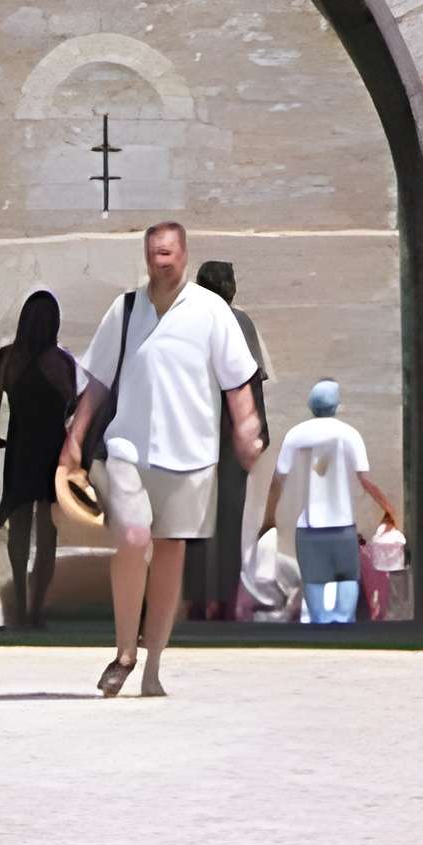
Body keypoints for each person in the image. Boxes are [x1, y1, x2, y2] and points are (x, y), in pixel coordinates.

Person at [60, 222, 266, 698]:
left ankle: (152, 665)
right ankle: (124, 651)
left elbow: (236, 380)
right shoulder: (126, 308)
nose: (162, 261)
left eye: (170, 253)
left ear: (185, 254)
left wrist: (247, 425)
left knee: (170, 554)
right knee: (133, 537)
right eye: (155, 253)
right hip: (128, 447)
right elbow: (99, 381)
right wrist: (74, 439)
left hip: (191, 454)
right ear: (146, 256)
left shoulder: (213, 311)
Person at [0, 289, 80, 628]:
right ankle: (34, 608)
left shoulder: (8, 358)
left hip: (21, 451)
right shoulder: (61, 361)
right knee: (45, 532)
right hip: (50, 452)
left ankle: (24, 607)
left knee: (18, 532)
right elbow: (73, 406)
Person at [259, 379, 401, 626]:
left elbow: (279, 479)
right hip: (342, 523)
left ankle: (321, 622)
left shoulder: (296, 434)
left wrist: (269, 518)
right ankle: (343, 621)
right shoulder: (349, 433)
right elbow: (365, 479)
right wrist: (387, 507)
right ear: (337, 404)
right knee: (347, 575)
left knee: (314, 578)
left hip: (309, 526)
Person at [189, 257, 268, 622]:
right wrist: (258, 430)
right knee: (229, 521)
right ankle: (223, 600)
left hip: (192, 438)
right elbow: (251, 382)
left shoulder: (183, 321)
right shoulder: (239, 322)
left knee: (191, 521)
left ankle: (195, 600)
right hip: (229, 435)